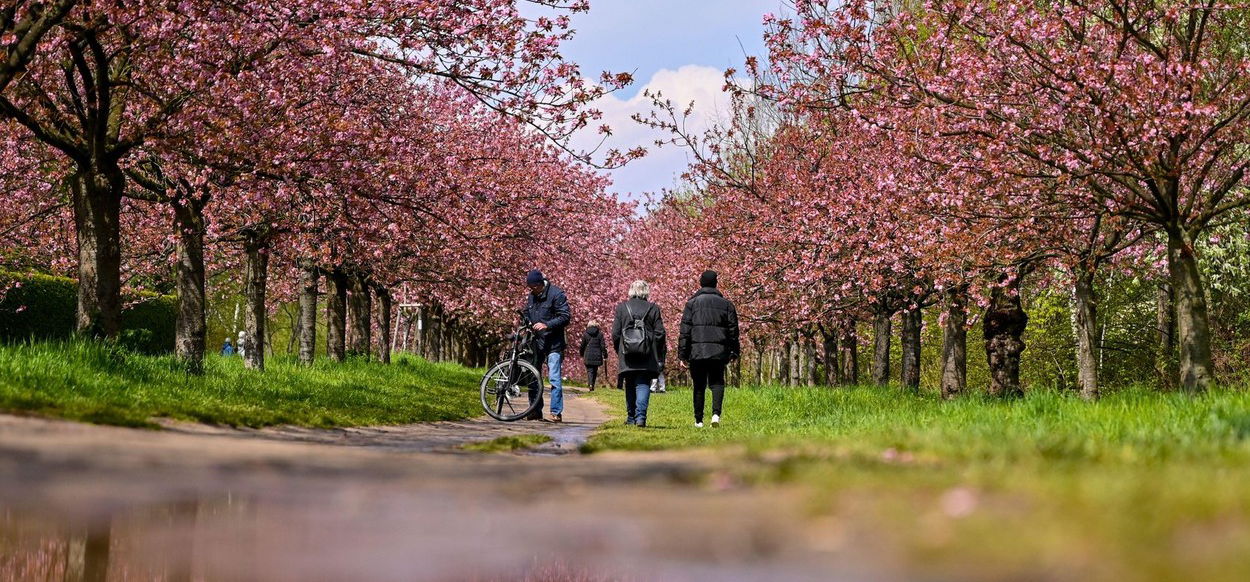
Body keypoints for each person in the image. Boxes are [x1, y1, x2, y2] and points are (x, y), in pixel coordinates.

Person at [679, 270, 740, 428]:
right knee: (717, 383)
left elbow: (685, 331)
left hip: (697, 351)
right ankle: (715, 415)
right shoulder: (727, 304)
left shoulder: (691, 304)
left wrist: (683, 354)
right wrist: (734, 351)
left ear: (701, 283)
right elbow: (733, 331)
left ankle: (698, 420)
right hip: (718, 352)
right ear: (716, 283)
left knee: (699, 385)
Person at [612, 280, 666, 428]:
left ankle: (630, 418)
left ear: (631, 291)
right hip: (647, 354)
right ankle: (640, 417)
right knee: (643, 383)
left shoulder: (622, 308)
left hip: (627, 353)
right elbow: (660, 333)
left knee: (629, 384)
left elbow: (615, 333)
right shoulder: (653, 309)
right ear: (646, 292)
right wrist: (656, 350)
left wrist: (620, 349)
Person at [524, 269, 571, 422]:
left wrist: (547, 325)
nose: (532, 290)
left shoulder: (556, 295)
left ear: (540, 284)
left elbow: (565, 317)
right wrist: (527, 321)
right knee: (533, 377)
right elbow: (527, 312)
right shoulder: (532, 296)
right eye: (530, 287)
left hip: (554, 344)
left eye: (534, 287)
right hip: (536, 342)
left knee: (554, 379)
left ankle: (556, 412)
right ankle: (535, 410)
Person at [579, 320, 607, 391]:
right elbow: (603, 346)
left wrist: (581, 353)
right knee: (595, 370)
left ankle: (590, 384)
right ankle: (592, 385)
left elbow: (582, 345)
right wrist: (605, 354)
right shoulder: (600, 334)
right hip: (597, 354)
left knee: (589, 370)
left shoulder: (585, 334)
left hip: (588, 354)